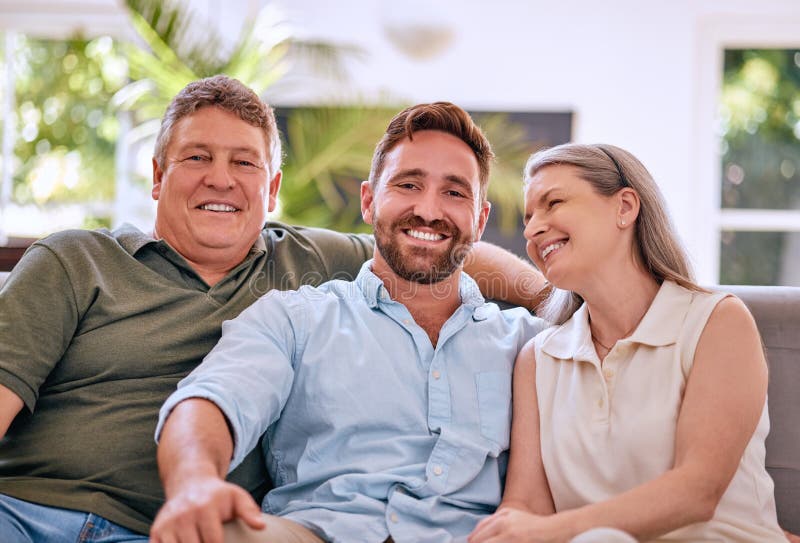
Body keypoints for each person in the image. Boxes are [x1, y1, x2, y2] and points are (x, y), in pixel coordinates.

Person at [0, 77, 547, 541]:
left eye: (244, 162)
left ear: (272, 189)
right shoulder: (79, 260)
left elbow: (432, 249)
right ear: (158, 175)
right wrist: (194, 481)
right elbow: (209, 400)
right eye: (197, 157)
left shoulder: (305, 259)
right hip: (27, 509)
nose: (221, 178)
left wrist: (554, 299)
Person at [150, 102, 549, 543]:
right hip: (316, 533)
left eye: (454, 193)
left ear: (480, 219)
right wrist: (195, 482)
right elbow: (211, 401)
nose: (429, 210)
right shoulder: (295, 319)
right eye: (408, 184)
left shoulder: (529, 345)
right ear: (369, 200)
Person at [469, 143, 787, 542]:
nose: (532, 229)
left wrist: (550, 531)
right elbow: (526, 506)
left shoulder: (716, 322)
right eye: (529, 217)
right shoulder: (538, 359)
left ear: (624, 207)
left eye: (554, 203)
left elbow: (697, 491)